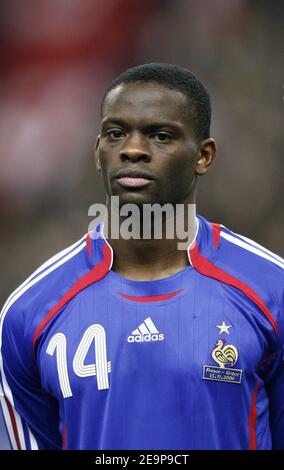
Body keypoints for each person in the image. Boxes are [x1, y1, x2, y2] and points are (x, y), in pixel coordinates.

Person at [0, 63, 283, 451]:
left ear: (204, 155)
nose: (132, 149)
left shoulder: (270, 290)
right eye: (116, 134)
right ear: (98, 152)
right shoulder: (29, 313)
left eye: (161, 135)